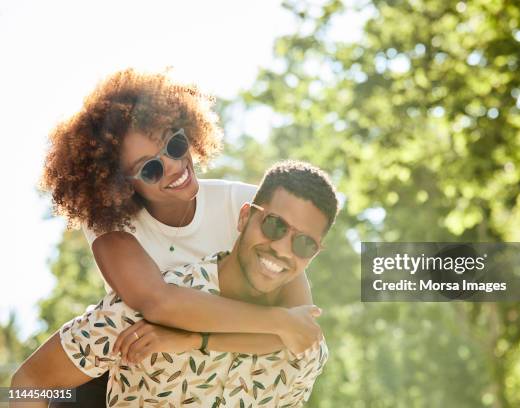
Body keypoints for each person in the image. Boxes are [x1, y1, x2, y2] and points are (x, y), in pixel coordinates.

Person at [13, 69, 321, 405]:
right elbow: (158, 303)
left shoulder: (250, 210)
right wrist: (276, 320)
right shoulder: (113, 230)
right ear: (119, 185)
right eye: (150, 168)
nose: (174, 166)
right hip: (125, 373)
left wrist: (194, 340)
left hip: (204, 375)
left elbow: (300, 331)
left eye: (175, 145)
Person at [11, 161, 338, 407]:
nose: (282, 248)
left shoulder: (305, 358)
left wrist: (196, 340)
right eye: (274, 225)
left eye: (305, 244)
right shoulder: (138, 316)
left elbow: (298, 333)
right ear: (244, 218)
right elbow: (31, 382)